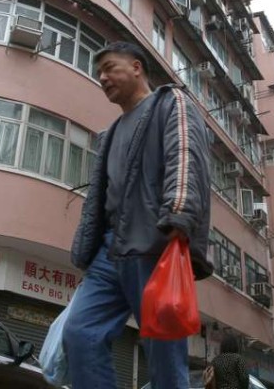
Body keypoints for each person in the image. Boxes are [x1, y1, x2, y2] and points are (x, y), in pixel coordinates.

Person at [64, 40, 212, 389]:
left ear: (136, 67)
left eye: (110, 68)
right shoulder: (111, 131)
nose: (102, 77)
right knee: (80, 332)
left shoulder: (169, 103)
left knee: (163, 354)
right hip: (110, 249)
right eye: (98, 72)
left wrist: (179, 215)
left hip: (154, 242)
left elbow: (186, 156)